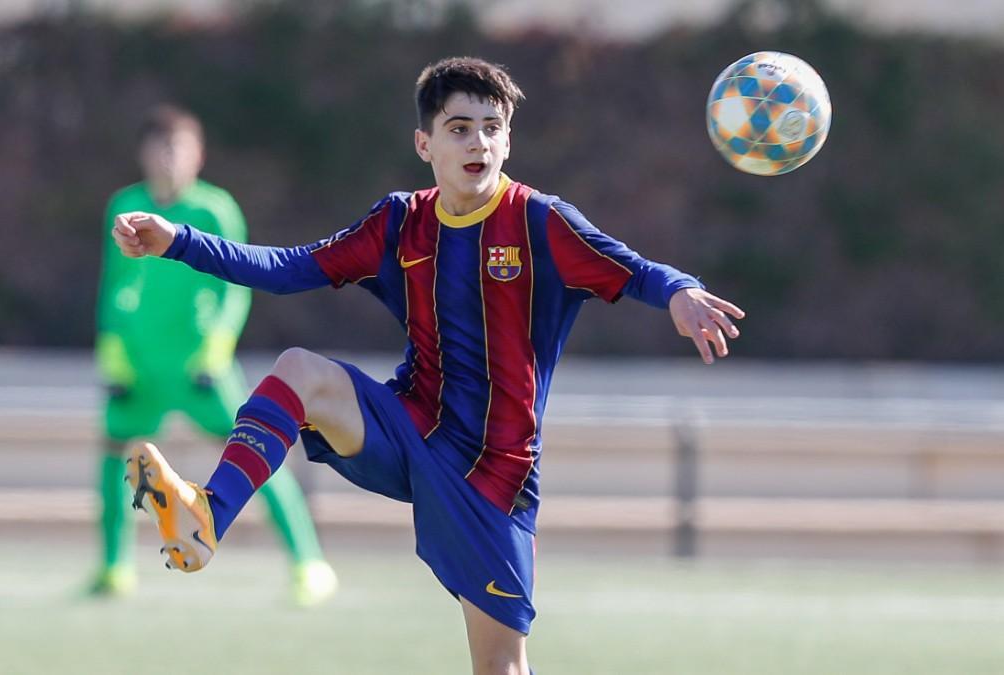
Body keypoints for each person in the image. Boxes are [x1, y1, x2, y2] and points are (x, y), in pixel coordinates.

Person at [113, 59, 743, 673]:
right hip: (410, 428)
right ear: (425, 143)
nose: (478, 142)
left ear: (508, 142)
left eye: (492, 128)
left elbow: (632, 268)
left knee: (499, 666)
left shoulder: (540, 222)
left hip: (494, 476)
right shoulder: (399, 222)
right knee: (299, 370)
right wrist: (179, 242)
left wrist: (680, 292)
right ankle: (205, 516)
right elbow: (288, 268)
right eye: (459, 128)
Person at [89, 104, 337, 606]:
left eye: (178, 147)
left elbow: (234, 291)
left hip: (200, 366)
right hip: (141, 365)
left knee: (259, 454)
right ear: (143, 153)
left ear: (198, 155)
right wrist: (113, 355)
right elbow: (112, 287)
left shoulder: (214, 209)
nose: (169, 157)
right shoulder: (125, 204)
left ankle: (309, 564)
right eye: (160, 146)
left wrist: (213, 351)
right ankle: (114, 567)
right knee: (114, 457)